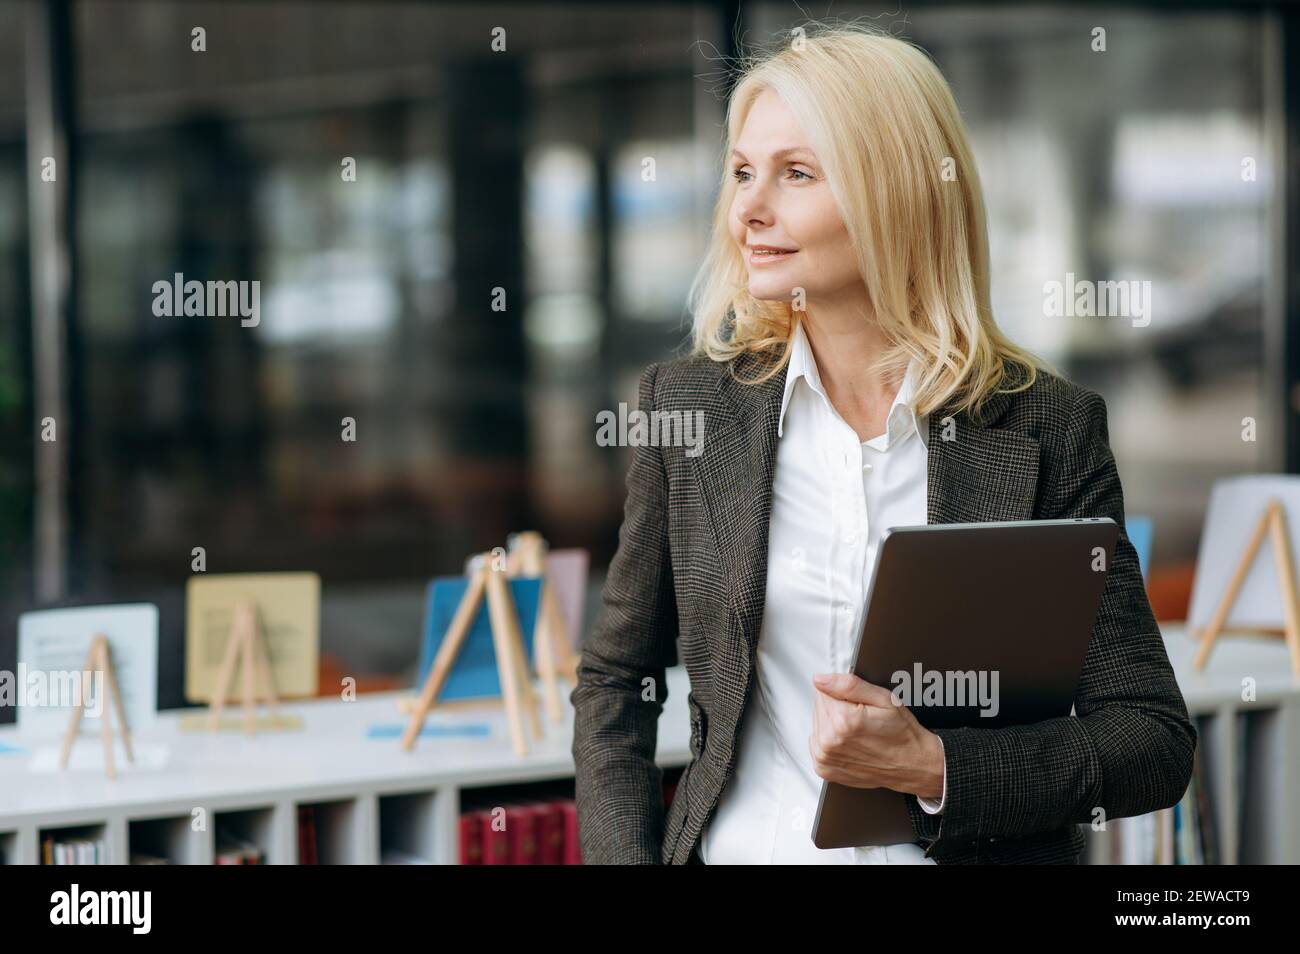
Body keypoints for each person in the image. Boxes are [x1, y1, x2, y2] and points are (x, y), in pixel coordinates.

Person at [571, 22, 1196, 864]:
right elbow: (614, 683)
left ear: (897, 192)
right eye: (743, 173)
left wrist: (935, 766)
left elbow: (1151, 740)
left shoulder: (1046, 427)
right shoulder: (688, 412)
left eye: (796, 174)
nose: (749, 208)